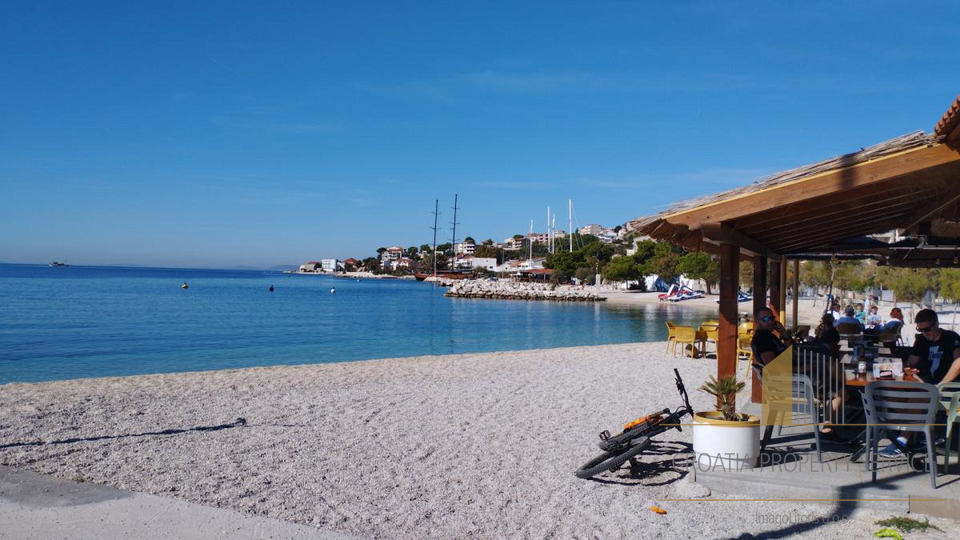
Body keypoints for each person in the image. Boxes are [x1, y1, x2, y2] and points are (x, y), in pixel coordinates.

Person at [879, 309, 960, 457]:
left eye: (927, 329)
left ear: (936, 324)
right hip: (927, 385)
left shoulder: (951, 337)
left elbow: (959, 361)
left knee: (918, 397)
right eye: (920, 329)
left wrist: (942, 384)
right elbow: (911, 362)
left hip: (949, 389)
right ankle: (921, 433)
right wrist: (908, 370)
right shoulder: (922, 340)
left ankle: (902, 440)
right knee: (891, 396)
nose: (924, 333)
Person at [751, 307, 792, 372]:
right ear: (756, 322)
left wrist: (784, 333)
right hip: (787, 375)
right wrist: (801, 368)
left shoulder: (769, 336)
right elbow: (773, 366)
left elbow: (791, 352)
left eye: (771, 318)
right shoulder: (762, 339)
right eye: (765, 319)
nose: (770, 322)